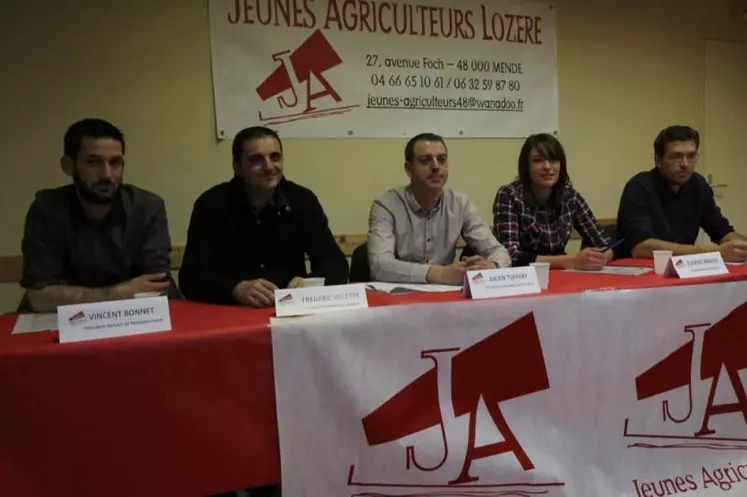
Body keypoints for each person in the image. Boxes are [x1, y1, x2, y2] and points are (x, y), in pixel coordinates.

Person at [179, 126, 348, 306]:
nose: (269, 166)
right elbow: (191, 278)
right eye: (257, 159)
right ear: (237, 165)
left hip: (290, 309)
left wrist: (311, 283)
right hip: (232, 312)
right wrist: (234, 288)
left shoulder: (302, 200)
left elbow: (335, 264)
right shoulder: (211, 204)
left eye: (275, 157)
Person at [19, 118, 173, 313]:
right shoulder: (47, 210)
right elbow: (39, 297)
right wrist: (118, 293)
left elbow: (155, 287)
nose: (107, 175)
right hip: (62, 324)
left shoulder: (147, 207)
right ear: (68, 166)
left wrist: (69, 296)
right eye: (94, 162)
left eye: (115, 163)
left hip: (134, 319)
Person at [367, 132, 511, 285]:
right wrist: (440, 273)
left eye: (442, 160)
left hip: (444, 297)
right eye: (425, 160)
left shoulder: (460, 203)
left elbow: (499, 252)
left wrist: (493, 265)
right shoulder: (386, 205)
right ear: (408, 169)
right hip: (398, 296)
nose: (436, 166)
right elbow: (379, 266)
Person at [616, 125, 747, 260]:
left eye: (691, 156)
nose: (685, 164)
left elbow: (722, 232)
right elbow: (642, 247)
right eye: (676, 157)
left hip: (684, 269)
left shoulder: (698, 185)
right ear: (658, 161)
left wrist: (741, 246)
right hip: (640, 272)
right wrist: (717, 252)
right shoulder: (639, 187)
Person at [493, 133, 613, 269]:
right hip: (522, 278)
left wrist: (597, 258)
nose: (547, 166)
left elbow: (605, 244)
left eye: (554, 160)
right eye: (538, 160)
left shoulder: (570, 197)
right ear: (526, 166)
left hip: (562, 275)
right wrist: (572, 261)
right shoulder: (509, 194)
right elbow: (509, 256)